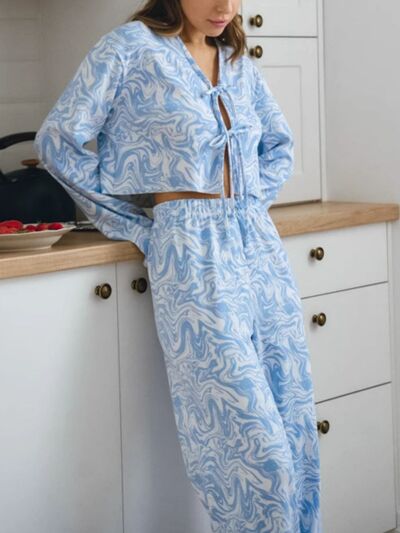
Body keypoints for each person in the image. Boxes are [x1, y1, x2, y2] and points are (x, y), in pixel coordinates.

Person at [33, 1, 322, 531]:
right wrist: (136, 224)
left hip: (260, 247)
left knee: (294, 421)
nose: (225, 7)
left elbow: (279, 145)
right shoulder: (130, 49)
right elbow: (59, 141)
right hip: (188, 250)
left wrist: (248, 206)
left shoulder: (235, 60)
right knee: (253, 448)